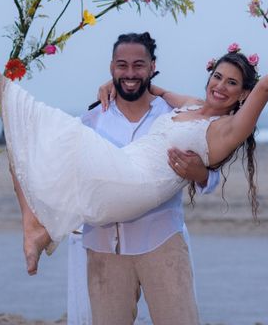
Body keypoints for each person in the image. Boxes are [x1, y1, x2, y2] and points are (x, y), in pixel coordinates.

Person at [0, 24, 268, 277]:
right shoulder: (189, 106)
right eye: (217, 76)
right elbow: (158, 89)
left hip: (134, 186)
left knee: (49, 126)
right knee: (29, 150)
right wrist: (114, 82)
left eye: (232, 84)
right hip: (119, 176)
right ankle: (34, 227)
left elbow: (267, 87)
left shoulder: (229, 128)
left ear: (243, 94)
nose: (221, 86)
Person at [68, 32, 220, 324]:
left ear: (153, 66)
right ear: (111, 67)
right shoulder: (92, 120)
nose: (130, 73)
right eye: (122, 65)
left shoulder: (176, 116)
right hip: (102, 248)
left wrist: (199, 173)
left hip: (162, 243)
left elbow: (211, 178)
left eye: (138, 65)